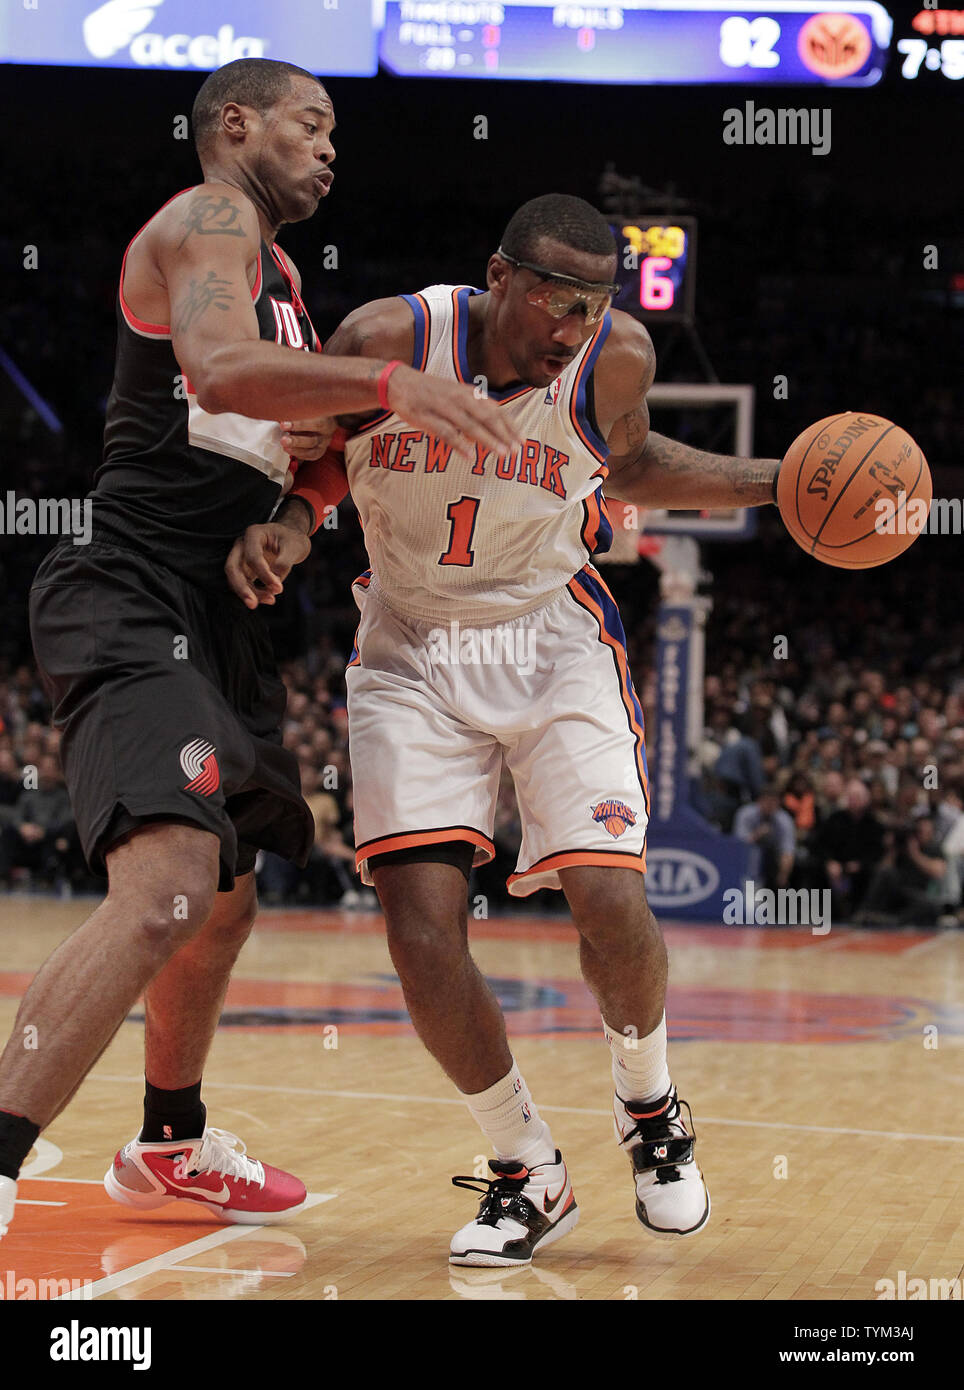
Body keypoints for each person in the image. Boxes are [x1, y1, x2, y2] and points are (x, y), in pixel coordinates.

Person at [0, 57, 517, 1243]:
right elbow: (221, 369)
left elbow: (285, 437)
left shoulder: (280, 272)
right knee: (169, 888)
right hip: (129, 586)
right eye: (313, 122)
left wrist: (290, 519)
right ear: (236, 124)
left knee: (225, 900)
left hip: (216, 613)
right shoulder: (212, 217)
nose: (333, 148)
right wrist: (399, 382)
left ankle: (168, 1146)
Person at [230, 193, 782, 1264]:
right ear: (499, 276)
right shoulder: (391, 339)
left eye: (591, 306)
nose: (570, 328)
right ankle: (526, 1166)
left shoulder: (613, 358)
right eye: (552, 302)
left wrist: (769, 484)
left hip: (547, 634)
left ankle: (649, 1106)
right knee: (418, 930)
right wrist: (297, 524)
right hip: (408, 645)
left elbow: (621, 466)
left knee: (611, 893)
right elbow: (329, 454)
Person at [733, 787, 796, 891]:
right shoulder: (745, 814)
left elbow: (788, 851)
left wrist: (783, 875)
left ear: (778, 803)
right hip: (747, 857)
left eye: (773, 802)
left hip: (772, 860)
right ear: (759, 801)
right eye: (767, 801)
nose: (770, 805)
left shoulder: (784, 820)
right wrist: (757, 835)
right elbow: (738, 844)